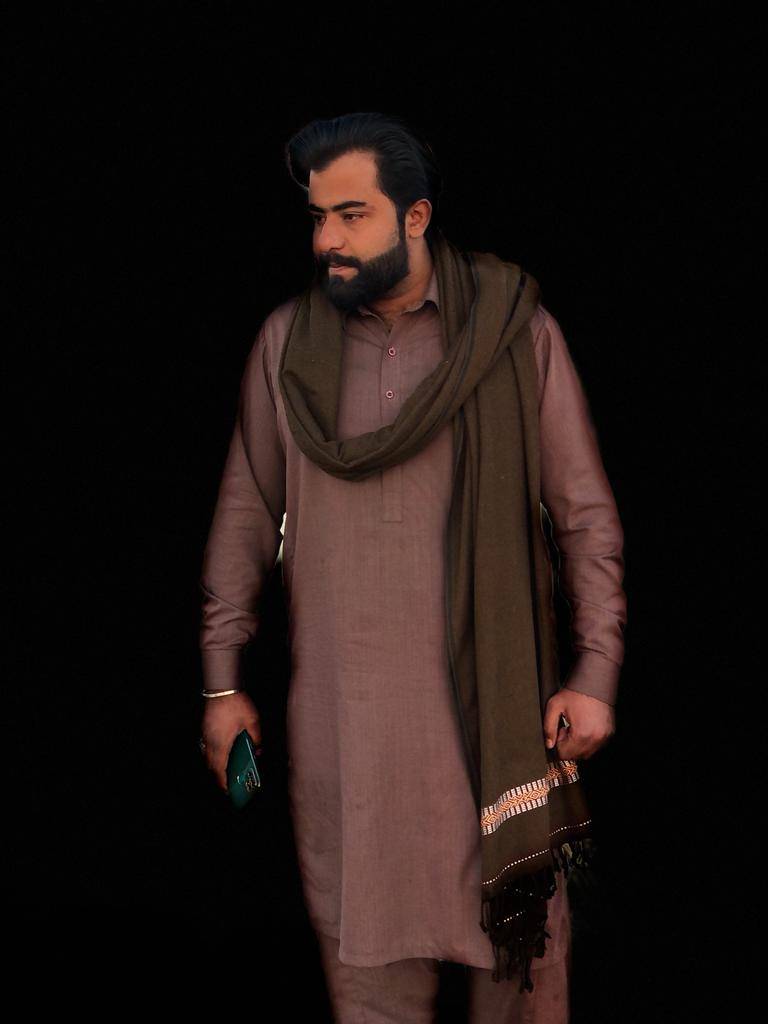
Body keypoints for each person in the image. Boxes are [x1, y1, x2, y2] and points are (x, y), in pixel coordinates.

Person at [197, 112, 627, 1023]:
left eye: (351, 215)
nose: (327, 240)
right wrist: (221, 681)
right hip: (345, 736)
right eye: (318, 217)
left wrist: (595, 673)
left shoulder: (515, 335)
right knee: (367, 987)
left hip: (497, 734)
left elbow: (585, 517)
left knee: (522, 976)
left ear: (417, 215)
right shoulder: (288, 346)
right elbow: (245, 516)